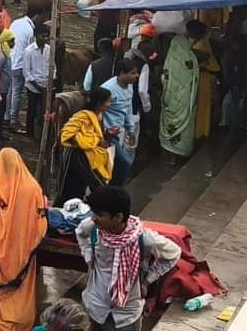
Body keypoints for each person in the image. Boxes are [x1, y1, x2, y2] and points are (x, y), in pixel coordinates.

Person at [77, 187, 180, 331]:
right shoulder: (92, 227)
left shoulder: (144, 238)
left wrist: (147, 280)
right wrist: (89, 257)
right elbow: (80, 234)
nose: (94, 217)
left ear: (118, 217)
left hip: (126, 315)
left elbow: (173, 253)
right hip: (94, 307)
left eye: (100, 214)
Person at [0, 148, 47, 331]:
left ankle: (0, 322)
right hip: (23, 250)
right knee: (23, 287)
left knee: (0, 285)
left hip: (0, 252)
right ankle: (22, 319)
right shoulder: (33, 187)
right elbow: (41, 220)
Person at [58, 87, 113, 202]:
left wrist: (106, 135)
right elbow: (66, 134)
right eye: (108, 101)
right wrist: (83, 143)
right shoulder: (82, 116)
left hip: (88, 155)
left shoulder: (96, 117)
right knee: (90, 185)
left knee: (78, 187)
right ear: (99, 103)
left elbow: (93, 136)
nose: (110, 104)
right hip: (76, 155)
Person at [160, 29, 199, 162]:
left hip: (170, 99)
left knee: (168, 123)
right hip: (185, 99)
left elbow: (164, 77)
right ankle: (181, 152)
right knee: (185, 126)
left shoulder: (170, 59)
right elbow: (194, 79)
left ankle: (170, 154)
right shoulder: (191, 59)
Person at [100, 60, 140, 187]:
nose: (136, 76)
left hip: (119, 132)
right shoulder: (108, 89)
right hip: (108, 134)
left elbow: (128, 109)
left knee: (112, 166)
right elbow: (97, 112)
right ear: (122, 73)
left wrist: (130, 129)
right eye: (133, 73)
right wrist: (103, 134)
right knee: (123, 163)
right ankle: (111, 191)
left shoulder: (129, 87)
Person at [20, 23, 52, 138]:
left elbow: (53, 67)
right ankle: (30, 132)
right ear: (36, 36)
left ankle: (43, 132)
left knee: (45, 110)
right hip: (33, 87)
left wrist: (51, 80)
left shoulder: (49, 49)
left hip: (46, 85)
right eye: (43, 36)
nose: (46, 39)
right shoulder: (29, 51)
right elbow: (26, 72)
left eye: (47, 36)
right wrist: (38, 87)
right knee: (32, 109)